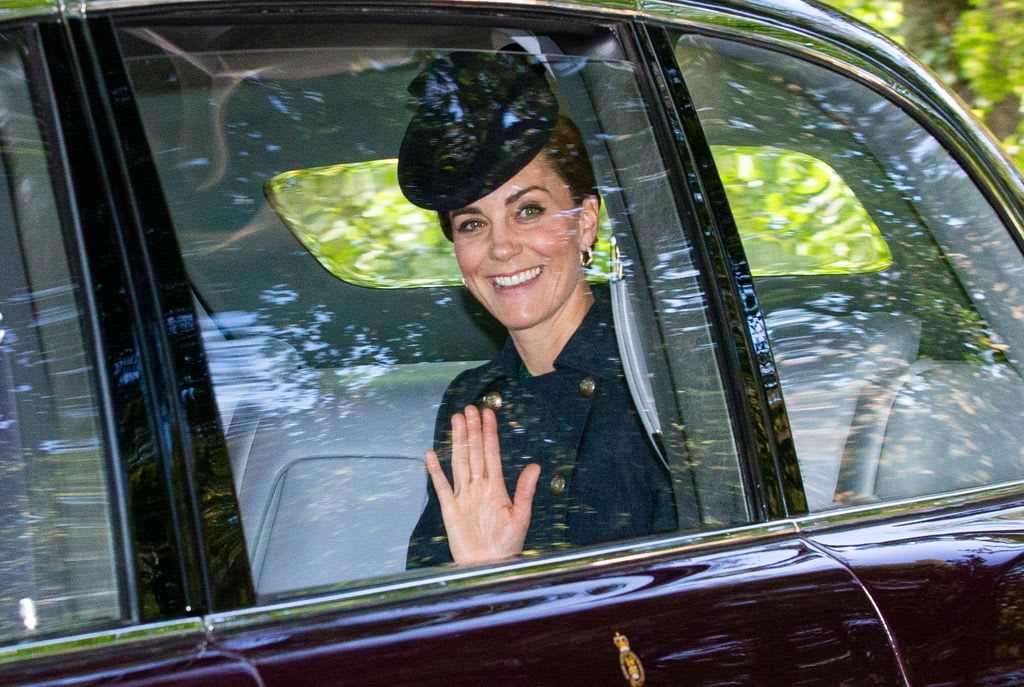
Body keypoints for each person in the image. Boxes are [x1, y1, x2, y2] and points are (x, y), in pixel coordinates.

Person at [399, 51, 679, 568]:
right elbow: (426, 617)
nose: (501, 248)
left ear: (586, 222)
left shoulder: (662, 380)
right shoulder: (469, 401)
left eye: (528, 210)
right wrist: (478, 572)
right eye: (471, 223)